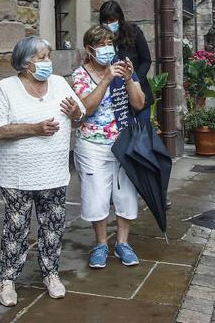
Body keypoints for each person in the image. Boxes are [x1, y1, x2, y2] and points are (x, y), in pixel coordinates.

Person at [0, 37, 85, 307]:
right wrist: (34, 128)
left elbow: (80, 116)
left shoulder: (59, 83)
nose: (47, 63)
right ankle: (7, 280)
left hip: (53, 171)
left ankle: (51, 274)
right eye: (41, 58)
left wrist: (77, 111)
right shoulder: (5, 88)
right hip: (18, 174)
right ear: (25, 61)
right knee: (16, 228)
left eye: (48, 56)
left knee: (52, 227)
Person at [71, 26, 146, 269]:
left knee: (125, 196)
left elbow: (139, 103)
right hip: (93, 146)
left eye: (109, 43)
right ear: (89, 49)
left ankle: (123, 243)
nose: (107, 49)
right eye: (101, 44)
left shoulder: (122, 68)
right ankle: (101, 243)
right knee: (96, 197)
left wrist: (128, 80)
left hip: (123, 143)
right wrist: (106, 79)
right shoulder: (80, 75)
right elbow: (85, 109)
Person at [99, 1, 153, 122]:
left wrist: (134, 80)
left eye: (112, 20)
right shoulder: (100, 37)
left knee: (142, 134)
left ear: (119, 18)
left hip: (138, 91)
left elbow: (146, 60)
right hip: (116, 97)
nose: (109, 24)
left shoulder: (134, 32)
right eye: (106, 21)